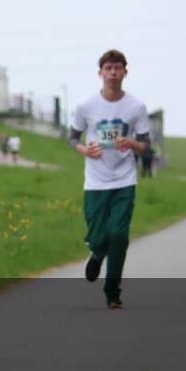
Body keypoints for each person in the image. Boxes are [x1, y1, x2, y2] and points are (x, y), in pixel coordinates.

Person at [70, 49, 150, 309]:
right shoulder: (86, 105)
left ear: (125, 72)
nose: (113, 73)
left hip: (124, 180)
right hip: (95, 181)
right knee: (99, 235)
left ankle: (112, 291)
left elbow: (146, 145)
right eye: (108, 68)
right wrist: (85, 150)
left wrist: (131, 143)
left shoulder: (136, 107)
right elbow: (72, 138)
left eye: (118, 68)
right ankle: (96, 252)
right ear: (100, 73)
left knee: (118, 235)